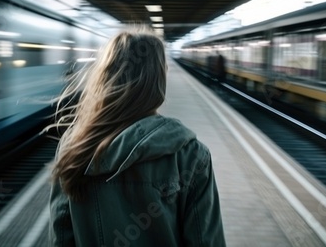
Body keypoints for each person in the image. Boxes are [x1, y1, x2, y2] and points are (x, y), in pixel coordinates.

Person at [47, 30, 226, 247]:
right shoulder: (191, 155)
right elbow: (205, 240)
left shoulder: (74, 146)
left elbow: (61, 236)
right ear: (158, 80)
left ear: (106, 77)